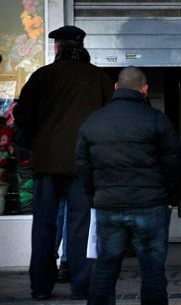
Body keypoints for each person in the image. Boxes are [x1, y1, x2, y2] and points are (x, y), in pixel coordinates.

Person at [14, 25, 113, 300]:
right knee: (80, 224)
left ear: (57, 48)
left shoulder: (43, 76)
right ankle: (81, 286)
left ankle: (41, 287)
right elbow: (108, 118)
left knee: (44, 224)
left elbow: (22, 116)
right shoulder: (99, 78)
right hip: (83, 162)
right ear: (81, 46)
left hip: (46, 161)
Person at [76, 66, 181, 305]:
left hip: (108, 205)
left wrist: (93, 197)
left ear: (116, 88)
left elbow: (82, 163)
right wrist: (171, 198)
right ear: (145, 90)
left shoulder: (94, 120)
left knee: (105, 268)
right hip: (150, 205)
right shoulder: (156, 119)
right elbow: (173, 163)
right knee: (153, 271)